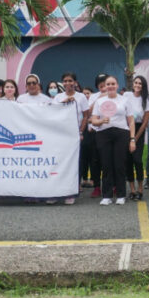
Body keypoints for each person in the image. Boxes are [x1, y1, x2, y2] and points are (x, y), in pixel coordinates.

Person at [90, 75, 135, 206]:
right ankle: (107, 195)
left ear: (117, 85)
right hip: (103, 134)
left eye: (113, 84)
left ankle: (121, 194)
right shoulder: (100, 101)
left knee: (120, 164)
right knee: (106, 164)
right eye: (108, 84)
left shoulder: (125, 100)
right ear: (105, 86)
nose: (110, 86)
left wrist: (132, 139)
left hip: (121, 134)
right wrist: (100, 121)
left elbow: (131, 121)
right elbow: (93, 120)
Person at [53, 72, 90, 204]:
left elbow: (86, 115)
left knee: (74, 163)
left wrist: (81, 131)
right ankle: (56, 192)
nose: (68, 83)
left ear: (75, 82)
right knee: (60, 162)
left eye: (70, 81)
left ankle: (71, 192)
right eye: (65, 81)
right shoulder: (58, 97)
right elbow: (52, 112)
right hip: (61, 134)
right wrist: (64, 102)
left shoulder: (81, 97)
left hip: (75, 134)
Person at [125, 75, 149, 201]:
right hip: (126, 128)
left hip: (139, 131)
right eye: (136, 82)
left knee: (138, 160)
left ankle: (140, 188)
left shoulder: (146, 99)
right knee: (128, 161)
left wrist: (134, 138)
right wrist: (129, 136)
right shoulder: (126, 96)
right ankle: (132, 190)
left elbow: (145, 122)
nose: (137, 85)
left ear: (143, 86)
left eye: (140, 83)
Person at [84, 73, 108, 198]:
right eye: (100, 85)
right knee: (95, 161)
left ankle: (111, 185)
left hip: (109, 132)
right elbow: (88, 115)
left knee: (108, 160)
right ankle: (97, 186)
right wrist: (99, 99)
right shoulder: (93, 97)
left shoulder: (115, 95)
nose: (103, 87)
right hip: (95, 132)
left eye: (105, 84)